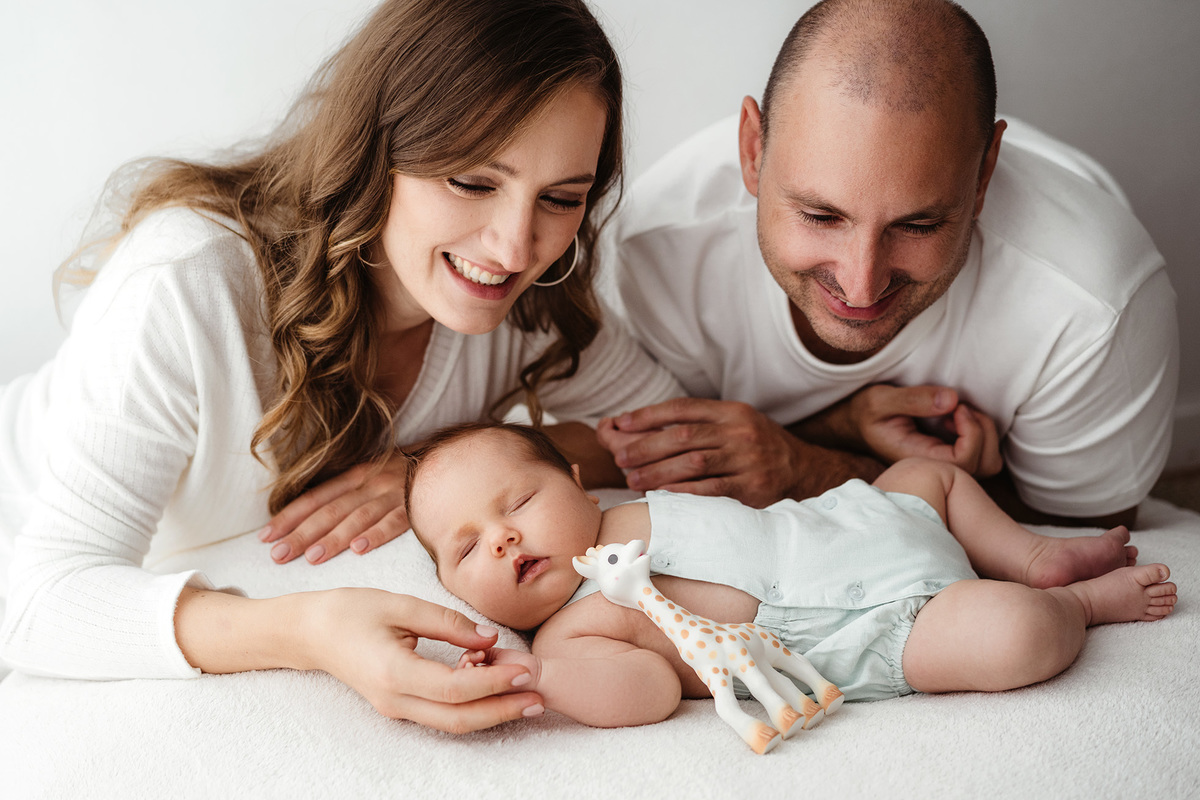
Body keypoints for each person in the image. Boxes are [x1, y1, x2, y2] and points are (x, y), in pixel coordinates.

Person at [0, 0, 684, 732]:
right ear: (377, 150)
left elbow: (673, 435)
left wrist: (434, 467)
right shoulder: (190, 282)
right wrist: (311, 633)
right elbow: (37, 599)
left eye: (561, 198)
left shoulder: (524, 302)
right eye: (473, 182)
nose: (516, 247)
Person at [598, 0, 1178, 529]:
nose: (861, 283)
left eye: (918, 226)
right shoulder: (657, 245)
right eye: (822, 216)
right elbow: (688, 455)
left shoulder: (1095, 304)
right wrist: (842, 426)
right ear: (752, 150)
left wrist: (810, 467)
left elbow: (1081, 527)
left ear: (982, 178)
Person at [404, 423, 1176, 729]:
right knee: (1017, 637)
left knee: (926, 475)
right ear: (453, 587)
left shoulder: (624, 509)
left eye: (520, 502)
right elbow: (646, 693)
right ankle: (1071, 601)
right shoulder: (575, 630)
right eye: (468, 550)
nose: (503, 539)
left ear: (578, 483)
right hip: (869, 632)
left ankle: (1034, 555)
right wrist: (537, 673)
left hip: (849, 523)